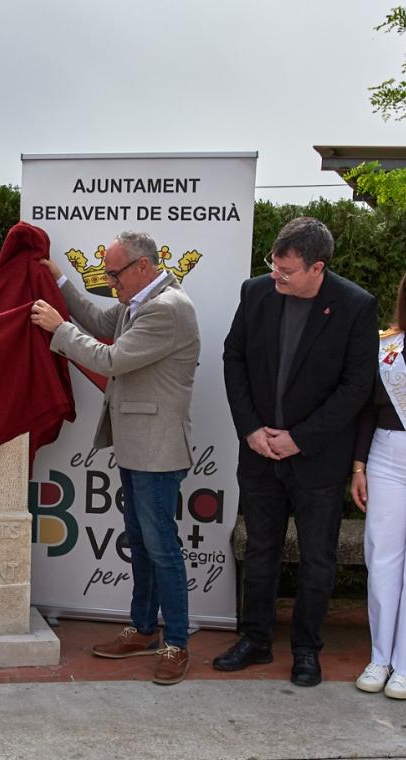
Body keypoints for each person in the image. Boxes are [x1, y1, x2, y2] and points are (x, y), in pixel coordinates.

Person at [31, 230, 200, 685]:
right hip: (136, 444)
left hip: (157, 449)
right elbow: (103, 323)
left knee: (161, 548)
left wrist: (57, 329)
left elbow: (111, 359)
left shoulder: (166, 309)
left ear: (143, 267)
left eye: (114, 273)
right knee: (143, 544)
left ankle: (176, 643)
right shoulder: (140, 300)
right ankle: (144, 629)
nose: (110, 281)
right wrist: (63, 284)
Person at [216, 216, 378, 687]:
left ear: (317, 268)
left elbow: (356, 387)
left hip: (317, 459)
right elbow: (234, 358)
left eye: (286, 271)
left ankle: (307, 649)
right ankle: (255, 641)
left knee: (317, 558)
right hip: (259, 453)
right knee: (261, 549)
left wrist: (300, 438)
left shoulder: (354, 306)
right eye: (273, 265)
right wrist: (250, 429)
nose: (276, 276)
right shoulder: (256, 293)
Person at [351, 272, 406, 698]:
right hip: (388, 457)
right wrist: (359, 467)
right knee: (382, 557)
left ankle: (405, 664)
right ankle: (380, 657)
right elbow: (367, 410)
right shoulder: (387, 347)